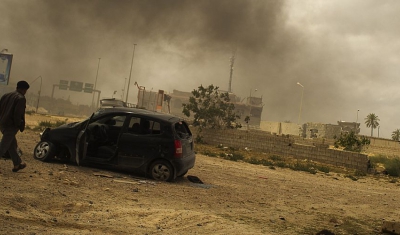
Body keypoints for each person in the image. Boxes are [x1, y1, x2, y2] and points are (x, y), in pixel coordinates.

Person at [0, 80, 30, 172]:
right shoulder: (21, 98)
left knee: (12, 145)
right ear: (23, 89)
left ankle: (17, 164)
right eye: (25, 90)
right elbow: (18, 114)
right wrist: (18, 125)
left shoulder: (6, 95)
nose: (25, 92)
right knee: (4, 146)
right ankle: (17, 164)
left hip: (2, 123)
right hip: (11, 126)